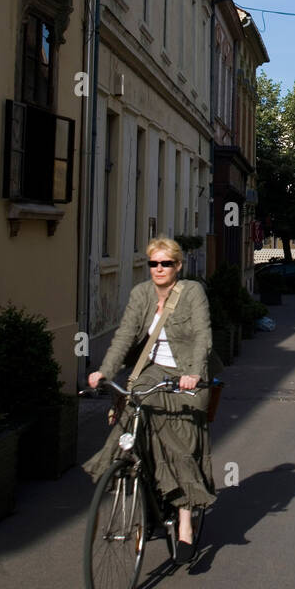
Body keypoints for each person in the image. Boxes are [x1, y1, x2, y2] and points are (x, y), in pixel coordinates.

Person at [83, 236, 216, 562]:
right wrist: (104, 371)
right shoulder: (141, 295)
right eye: (154, 263)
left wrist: (195, 373)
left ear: (178, 266)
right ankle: (127, 471)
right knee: (133, 407)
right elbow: (124, 335)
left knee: (179, 441)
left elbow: (203, 335)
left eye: (166, 263)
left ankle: (185, 521)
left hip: (185, 373)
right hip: (153, 371)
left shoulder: (192, 293)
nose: (159, 269)